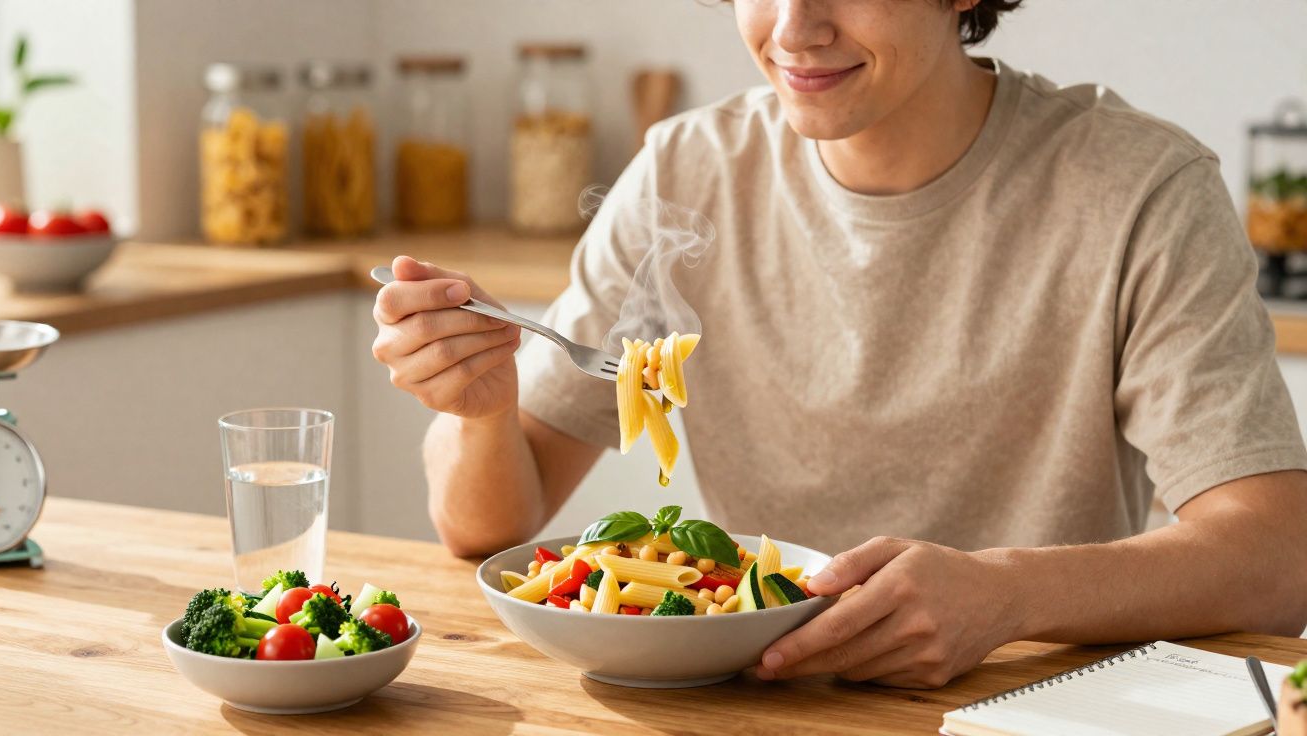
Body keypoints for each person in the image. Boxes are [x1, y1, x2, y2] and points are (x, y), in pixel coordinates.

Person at [371, 0, 1307, 688]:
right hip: (761, 701)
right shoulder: (685, 173)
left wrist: (1007, 594)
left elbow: (1277, 556)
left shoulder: (1137, 188)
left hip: (1037, 703)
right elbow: (488, 526)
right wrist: (480, 412)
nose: (794, 28)